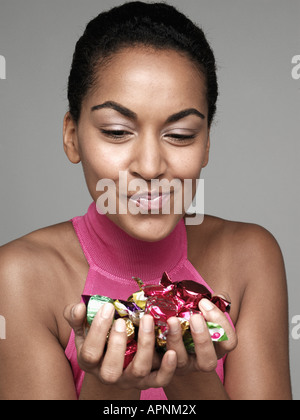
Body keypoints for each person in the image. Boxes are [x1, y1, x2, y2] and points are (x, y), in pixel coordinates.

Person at [0, 1, 292, 400]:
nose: (151, 166)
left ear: (206, 144)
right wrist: (109, 386)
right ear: (72, 136)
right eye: (117, 131)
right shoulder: (18, 278)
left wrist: (190, 377)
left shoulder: (249, 257)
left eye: (181, 134)